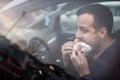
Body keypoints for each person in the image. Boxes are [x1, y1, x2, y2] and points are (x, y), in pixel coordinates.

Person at [61, 4, 120, 80]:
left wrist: (84, 73)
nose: (77, 35)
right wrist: (67, 61)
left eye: (84, 30)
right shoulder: (91, 46)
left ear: (102, 33)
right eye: (78, 28)